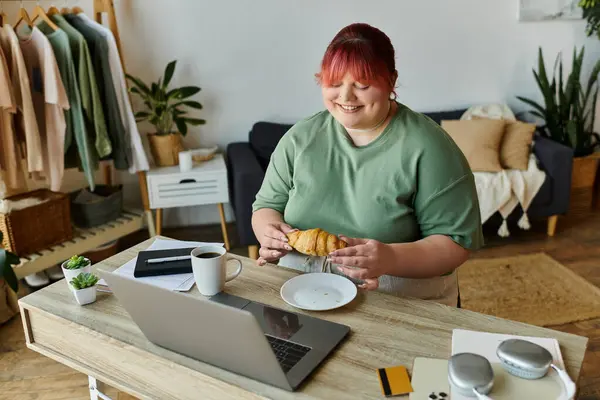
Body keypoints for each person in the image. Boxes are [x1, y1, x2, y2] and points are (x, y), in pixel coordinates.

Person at [250, 22, 483, 307]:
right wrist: (269, 232)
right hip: (301, 294)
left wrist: (391, 258)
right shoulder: (300, 138)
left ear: (391, 81)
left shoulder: (430, 147)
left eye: (362, 85)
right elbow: (266, 206)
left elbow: (456, 244)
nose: (346, 97)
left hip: (399, 300)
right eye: (334, 83)